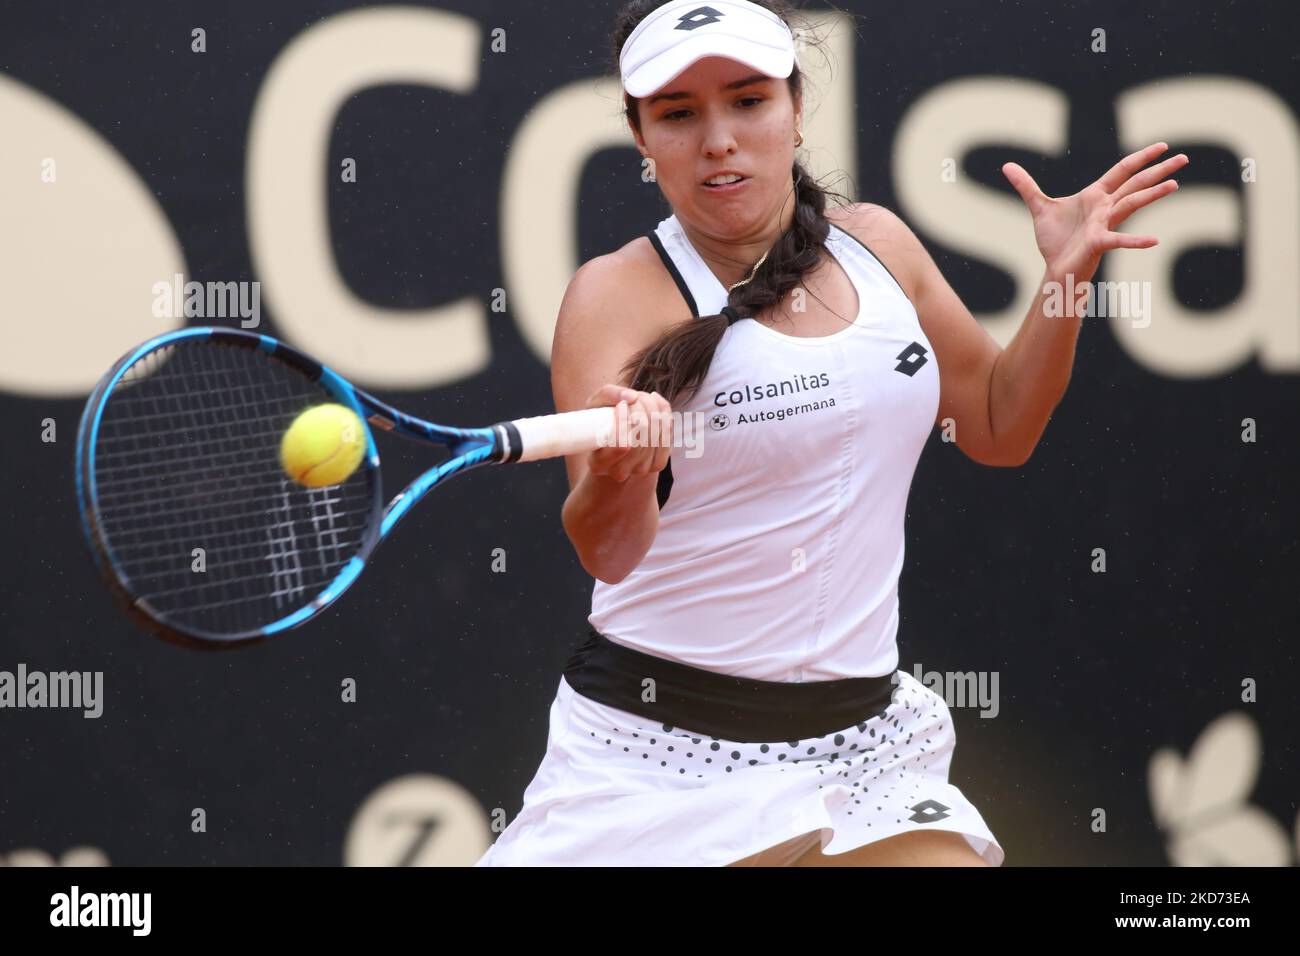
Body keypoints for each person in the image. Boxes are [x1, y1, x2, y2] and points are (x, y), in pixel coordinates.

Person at [475, 0, 1186, 867]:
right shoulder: (614, 295)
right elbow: (608, 553)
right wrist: (625, 472)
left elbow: (1001, 426)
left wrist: (1065, 283)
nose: (719, 140)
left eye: (747, 101)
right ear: (640, 137)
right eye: (678, 114)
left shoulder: (881, 245)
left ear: (796, 108)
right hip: (655, 761)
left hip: (864, 751)